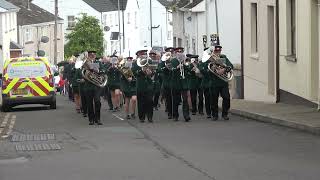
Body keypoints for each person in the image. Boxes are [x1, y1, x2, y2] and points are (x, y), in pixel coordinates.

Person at [210, 45, 234, 120]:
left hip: (223, 82)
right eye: (216, 51)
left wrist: (224, 70)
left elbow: (230, 66)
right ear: (213, 51)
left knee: (226, 97)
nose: (218, 53)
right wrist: (213, 68)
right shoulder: (210, 59)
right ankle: (214, 115)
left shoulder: (224, 57)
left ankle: (225, 113)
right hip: (214, 82)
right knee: (214, 99)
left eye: (219, 51)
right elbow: (206, 69)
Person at [82, 50, 104, 125]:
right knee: (89, 103)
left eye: (93, 55)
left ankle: (98, 118)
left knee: (97, 102)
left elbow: (103, 71)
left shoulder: (99, 63)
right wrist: (87, 70)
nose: (92, 56)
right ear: (88, 56)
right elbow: (82, 73)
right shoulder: (84, 64)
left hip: (96, 86)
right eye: (90, 55)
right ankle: (91, 119)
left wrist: (99, 71)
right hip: (88, 86)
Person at [133, 50, 154, 123]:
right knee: (141, 102)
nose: (144, 56)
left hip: (149, 85)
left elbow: (153, 71)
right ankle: (141, 117)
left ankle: (150, 117)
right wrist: (142, 71)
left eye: (145, 54)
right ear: (139, 56)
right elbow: (134, 73)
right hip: (140, 85)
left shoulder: (150, 62)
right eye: (142, 55)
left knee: (150, 101)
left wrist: (151, 73)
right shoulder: (135, 63)